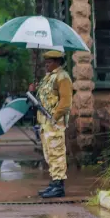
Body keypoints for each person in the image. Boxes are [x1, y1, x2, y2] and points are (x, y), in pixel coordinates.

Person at [29, 50, 72, 198]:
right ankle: (54, 182)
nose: (46, 64)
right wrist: (33, 90)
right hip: (45, 123)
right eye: (46, 62)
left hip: (55, 123)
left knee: (57, 153)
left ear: (57, 62)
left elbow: (65, 102)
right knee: (49, 154)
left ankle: (59, 186)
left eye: (49, 62)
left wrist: (54, 117)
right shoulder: (48, 78)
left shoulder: (62, 77)